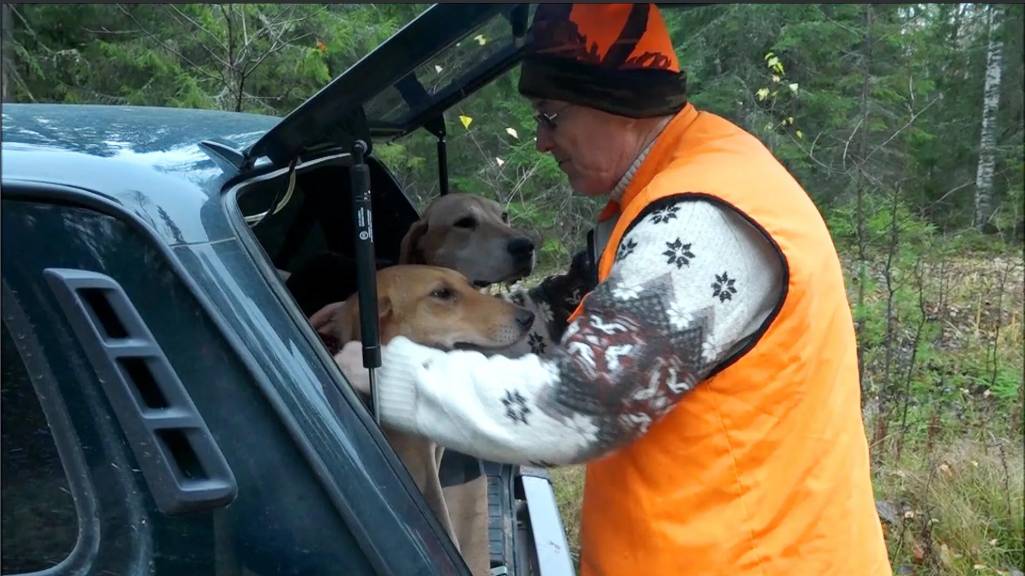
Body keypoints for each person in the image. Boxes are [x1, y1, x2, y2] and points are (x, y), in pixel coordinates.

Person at [338, 4, 892, 575]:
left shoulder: (702, 224)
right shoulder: (679, 183)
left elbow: (576, 408)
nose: (541, 142)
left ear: (618, 103)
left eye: (551, 116)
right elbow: (559, 316)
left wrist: (390, 372)